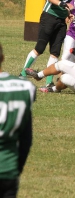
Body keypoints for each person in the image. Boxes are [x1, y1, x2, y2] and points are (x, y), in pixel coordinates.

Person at [20, 0, 75, 88]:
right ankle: (23, 73)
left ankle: (48, 81)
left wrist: (69, 13)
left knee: (55, 52)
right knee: (40, 48)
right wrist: (61, 4)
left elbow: (69, 0)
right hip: (50, 16)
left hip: (61, 20)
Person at [0, 43, 35, 198]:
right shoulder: (24, 87)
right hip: (8, 170)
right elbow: (26, 139)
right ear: (2, 58)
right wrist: (17, 167)